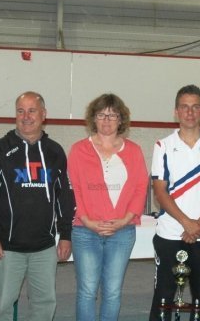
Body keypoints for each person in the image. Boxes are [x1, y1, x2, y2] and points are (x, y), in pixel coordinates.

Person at [0, 91, 75, 321]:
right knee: (4, 305)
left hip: (44, 248)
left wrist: (65, 235)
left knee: (44, 306)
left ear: (44, 114)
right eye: (20, 111)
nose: (26, 116)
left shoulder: (55, 152)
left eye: (32, 111)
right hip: (7, 248)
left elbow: (64, 197)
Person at [149, 85, 200, 321]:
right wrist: (187, 223)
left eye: (195, 107)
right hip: (170, 233)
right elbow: (160, 192)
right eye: (184, 107)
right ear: (176, 111)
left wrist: (199, 225)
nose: (190, 112)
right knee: (163, 297)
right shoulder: (163, 146)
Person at [68, 93, 149, 321]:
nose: (106, 120)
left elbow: (141, 188)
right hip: (85, 231)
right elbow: (74, 190)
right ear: (93, 118)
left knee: (112, 292)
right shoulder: (78, 150)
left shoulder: (134, 151)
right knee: (87, 291)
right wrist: (87, 221)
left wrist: (124, 220)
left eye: (112, 115)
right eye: (101, 114)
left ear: (121, 120)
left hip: (122, 231)